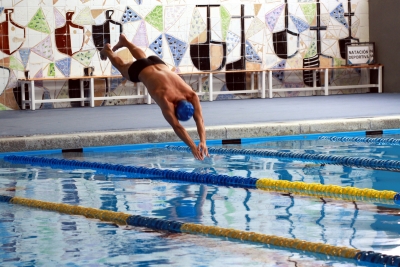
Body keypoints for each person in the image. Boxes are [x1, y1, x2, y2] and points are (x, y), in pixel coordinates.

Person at [100, 34, 209, 160]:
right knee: (122, 67)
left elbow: (199, 119)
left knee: (143, 58)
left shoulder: (191, 94)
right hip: (141, 70)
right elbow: (177, 126)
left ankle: (125, 41)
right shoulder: (166, 99)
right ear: (174, 107)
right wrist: (192, 146)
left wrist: (203, 141)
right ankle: (107, 51)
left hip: (157, 63)